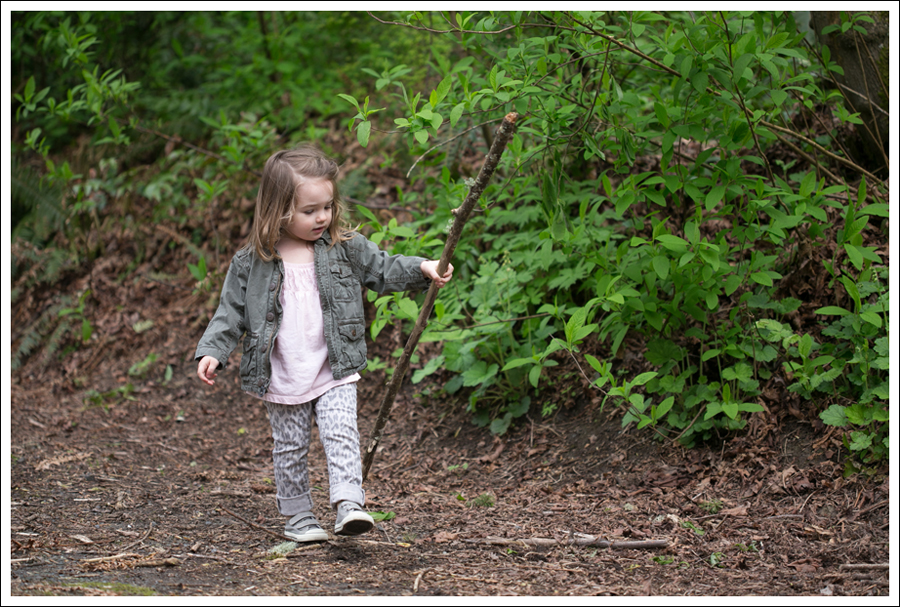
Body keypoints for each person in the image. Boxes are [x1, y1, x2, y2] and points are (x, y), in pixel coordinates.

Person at [195, 145, 453, 542]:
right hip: (282, 372)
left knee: (341, 433)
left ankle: (349, 503)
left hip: (334, 365)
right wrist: (213, 350)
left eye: (328, 207)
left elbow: (382, 267)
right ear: (279, 210)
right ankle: (298, 515)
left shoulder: (343, 246)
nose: (322, 217)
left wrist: (422, 267)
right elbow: (230, 313)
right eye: (309, 210)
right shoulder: (252, 262)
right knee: (290, 445)